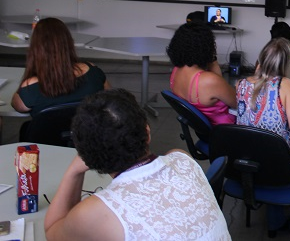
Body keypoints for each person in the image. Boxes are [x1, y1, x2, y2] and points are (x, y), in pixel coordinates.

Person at [44, 89, 231, 240]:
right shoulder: (182, 159)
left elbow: (53, 231)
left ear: (88, 157)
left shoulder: (97, 212)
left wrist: (74, 171)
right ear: (147, 133)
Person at [235, 37, 290, 231]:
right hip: (278, 169)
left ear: (260, 59)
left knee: (268, 151)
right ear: (287, 62)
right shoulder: (285, 84)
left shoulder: (240, 84)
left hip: (245, 165)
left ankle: (275, 217)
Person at [11, 18, 110, 136]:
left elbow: (17, 106)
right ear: (69, 43)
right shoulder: (93, 71)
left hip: (47, 146)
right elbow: (109, 97)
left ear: (35, 49)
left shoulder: (31, 86)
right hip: (88, 141)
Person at [166, 22, 236, 125]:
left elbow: (218, 88)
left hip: (205, 133)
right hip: (226, 132)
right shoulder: (209, 81)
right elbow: (238, 104)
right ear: (206, 47)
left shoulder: (176, 71)